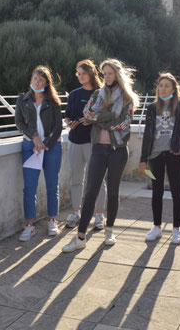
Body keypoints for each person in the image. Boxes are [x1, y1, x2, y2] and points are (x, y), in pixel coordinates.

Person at [62, 59, 139, 252]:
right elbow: (87, 114)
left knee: (113, 192)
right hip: (98, 148)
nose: (107, 77)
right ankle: (80, 237)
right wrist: (110, 116)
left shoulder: (127, 98)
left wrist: (100, 119)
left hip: (118, 150)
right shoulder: (97, 94)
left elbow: (123, 123)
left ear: (118, 75)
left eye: (110, 73)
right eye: (104, 74)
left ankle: (109, 230)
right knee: (90, 191)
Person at [138, 73, 180, 245]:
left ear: (173, 88)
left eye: (167, 85)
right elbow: (147, 135)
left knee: (176, 191)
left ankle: (176, 229)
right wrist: (143, 159)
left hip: (173, 156)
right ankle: (156, 227)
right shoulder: (151, 107)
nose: (163, 88)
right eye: (160, 85)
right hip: (154, 157)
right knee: (156, 192)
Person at [15, 65, 63, 241]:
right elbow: (19, 123)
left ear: (46, 83)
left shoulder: (53, 102)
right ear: (31, 80)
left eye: (41, 79)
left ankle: (52, 221)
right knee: (29, 188)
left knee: (52, 185)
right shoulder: (22, 100)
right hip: (30, 147)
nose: (37, 81)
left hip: (52, 147)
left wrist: (46, 143)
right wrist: (34, 137)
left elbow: (58, 127)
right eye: (35, 78)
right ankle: (29, 225)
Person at [64, 59, 107, 230]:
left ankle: (99, 215)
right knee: (76, 179)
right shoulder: (74, 94)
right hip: (74, 141)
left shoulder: (101, 94)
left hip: (94, 143)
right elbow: (67, 115)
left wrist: (92, 120)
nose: (81, 76)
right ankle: (76, 212)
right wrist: (69, 123)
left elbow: (106, 117)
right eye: (78, 74)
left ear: (91, 74)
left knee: (97, 180)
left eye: (83, 73)